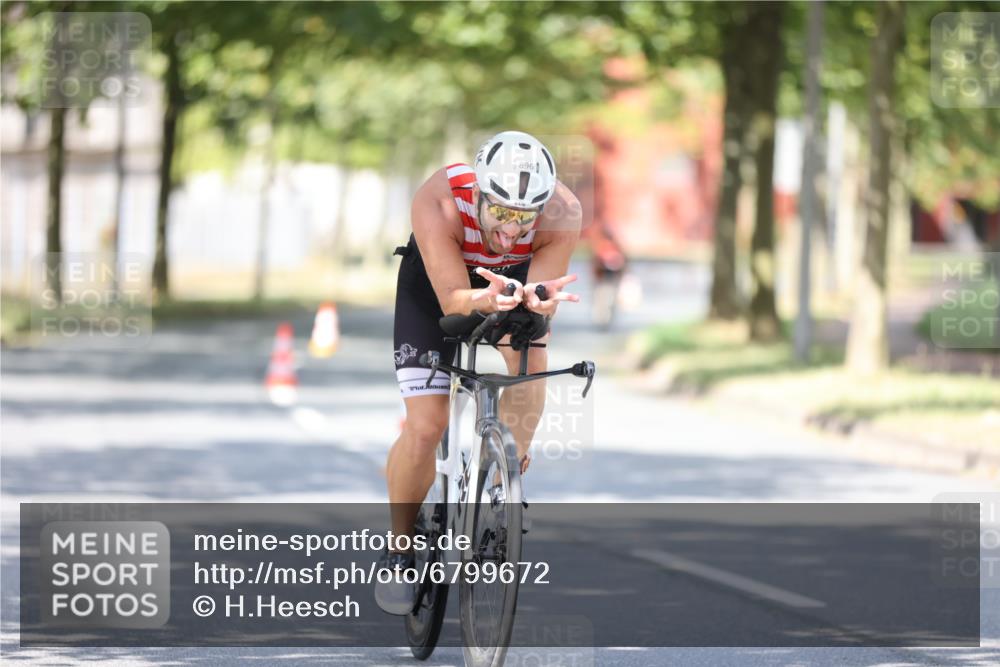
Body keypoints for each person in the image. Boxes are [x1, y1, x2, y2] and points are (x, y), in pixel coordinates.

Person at [376, 131, 582, 614]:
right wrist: (484, 298)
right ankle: (400, 547)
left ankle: (502, 475)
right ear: (478, 196)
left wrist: (538, 301)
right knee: (427, 427)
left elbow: (543, 295)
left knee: (532, 357)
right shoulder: (440, 197)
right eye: (502, 213)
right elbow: (452, 301)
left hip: (510, 287)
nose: (511, 231)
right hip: (436, 291)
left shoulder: (564, 211)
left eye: (524, 218)